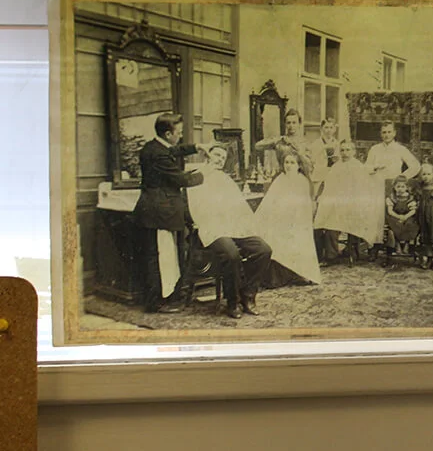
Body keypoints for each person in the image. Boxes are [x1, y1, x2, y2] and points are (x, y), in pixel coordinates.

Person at [183, 144, 273, 319]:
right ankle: (232, 302)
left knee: (263, 249)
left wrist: (243, 223)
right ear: (208, 156)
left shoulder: (225, 179)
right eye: (217, 155)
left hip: (233, 227)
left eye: (223, 158)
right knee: (231, 254)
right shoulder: (196, 176)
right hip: (211, 228)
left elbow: (238, 207)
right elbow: (195, 208)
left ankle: (248, 295)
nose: (219, 160)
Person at [133, 111, 202, 313]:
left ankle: (161, 298)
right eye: (178, 132)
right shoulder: (159, 154)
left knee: (161, 256)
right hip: (158, 212)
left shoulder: (152, 147)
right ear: (167, 134)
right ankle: (156, 303)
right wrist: (207, 173)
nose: (180, 135)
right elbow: (182, 180)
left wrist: (196, 147)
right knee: (160, 257)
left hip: (153, 209)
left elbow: (175, 151)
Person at [256, 149, 322, 285]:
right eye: (286, 162)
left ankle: (291, 274)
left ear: (298, 165)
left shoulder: (302, 181)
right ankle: (273, 276)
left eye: (292, 162)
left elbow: (302, 208)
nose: (289, 165)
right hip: (279, 219)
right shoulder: (280, 179)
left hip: (296, 222)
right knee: (268, 233)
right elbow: (270, 201)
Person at [314, 139, 381, 264]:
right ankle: (326, 255)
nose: (345, 153)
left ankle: (340, 253)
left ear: (354, 152)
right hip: (336, 204)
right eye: (342, 150)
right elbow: (330, 186)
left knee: (333, 222)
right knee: (323, 223)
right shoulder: (336, 166)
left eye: (348, 150)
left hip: (352, 206)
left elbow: (362, 188)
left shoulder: (358, 167)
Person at [256, 108, 315, 182]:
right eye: (288, 123)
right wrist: (276, 140)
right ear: (285, 124)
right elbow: (257, 146)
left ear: (299, 124)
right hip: (282, 179)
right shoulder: (280, 141)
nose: (291, 126)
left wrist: (299, 152)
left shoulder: (305, 143)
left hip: (299, 180)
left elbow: (310, 168)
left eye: (294, 123)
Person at [384, 175, 419, 258]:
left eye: (403, 186)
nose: (400, 188)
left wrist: (405, 217)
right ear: (394, 187)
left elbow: (413, 211)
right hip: (395, 216)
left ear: (406, 187)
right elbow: (390, 211)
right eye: (398, 186)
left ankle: (407, 244)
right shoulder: (392, 197)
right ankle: (397, 245)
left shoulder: (410, 197)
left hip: (407, 216)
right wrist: (398, 217)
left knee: (410, 224)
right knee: (394, 225)